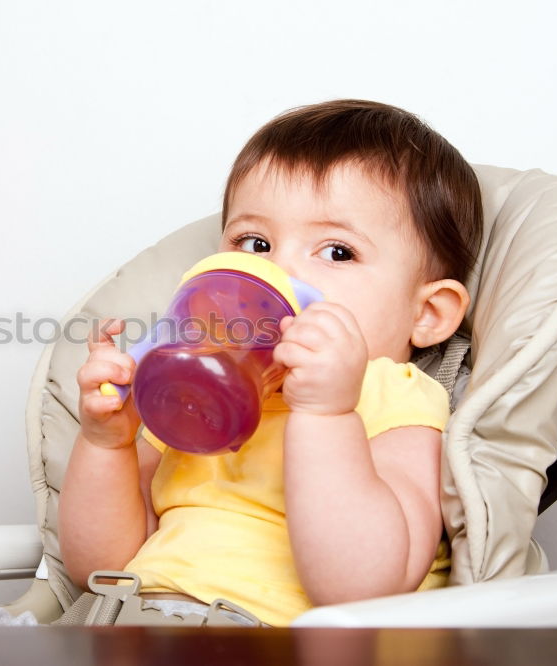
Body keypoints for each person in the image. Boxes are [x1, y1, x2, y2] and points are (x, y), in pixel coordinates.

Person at [59, 99, 484, 626]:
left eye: (336, 252)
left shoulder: (393, 396)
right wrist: (108, 444)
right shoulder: (194, 387)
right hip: (129, 623)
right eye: (254, 243)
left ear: (427, 314)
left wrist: (327, 414)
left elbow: (362, 587)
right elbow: (97, 566)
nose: (276, 270)